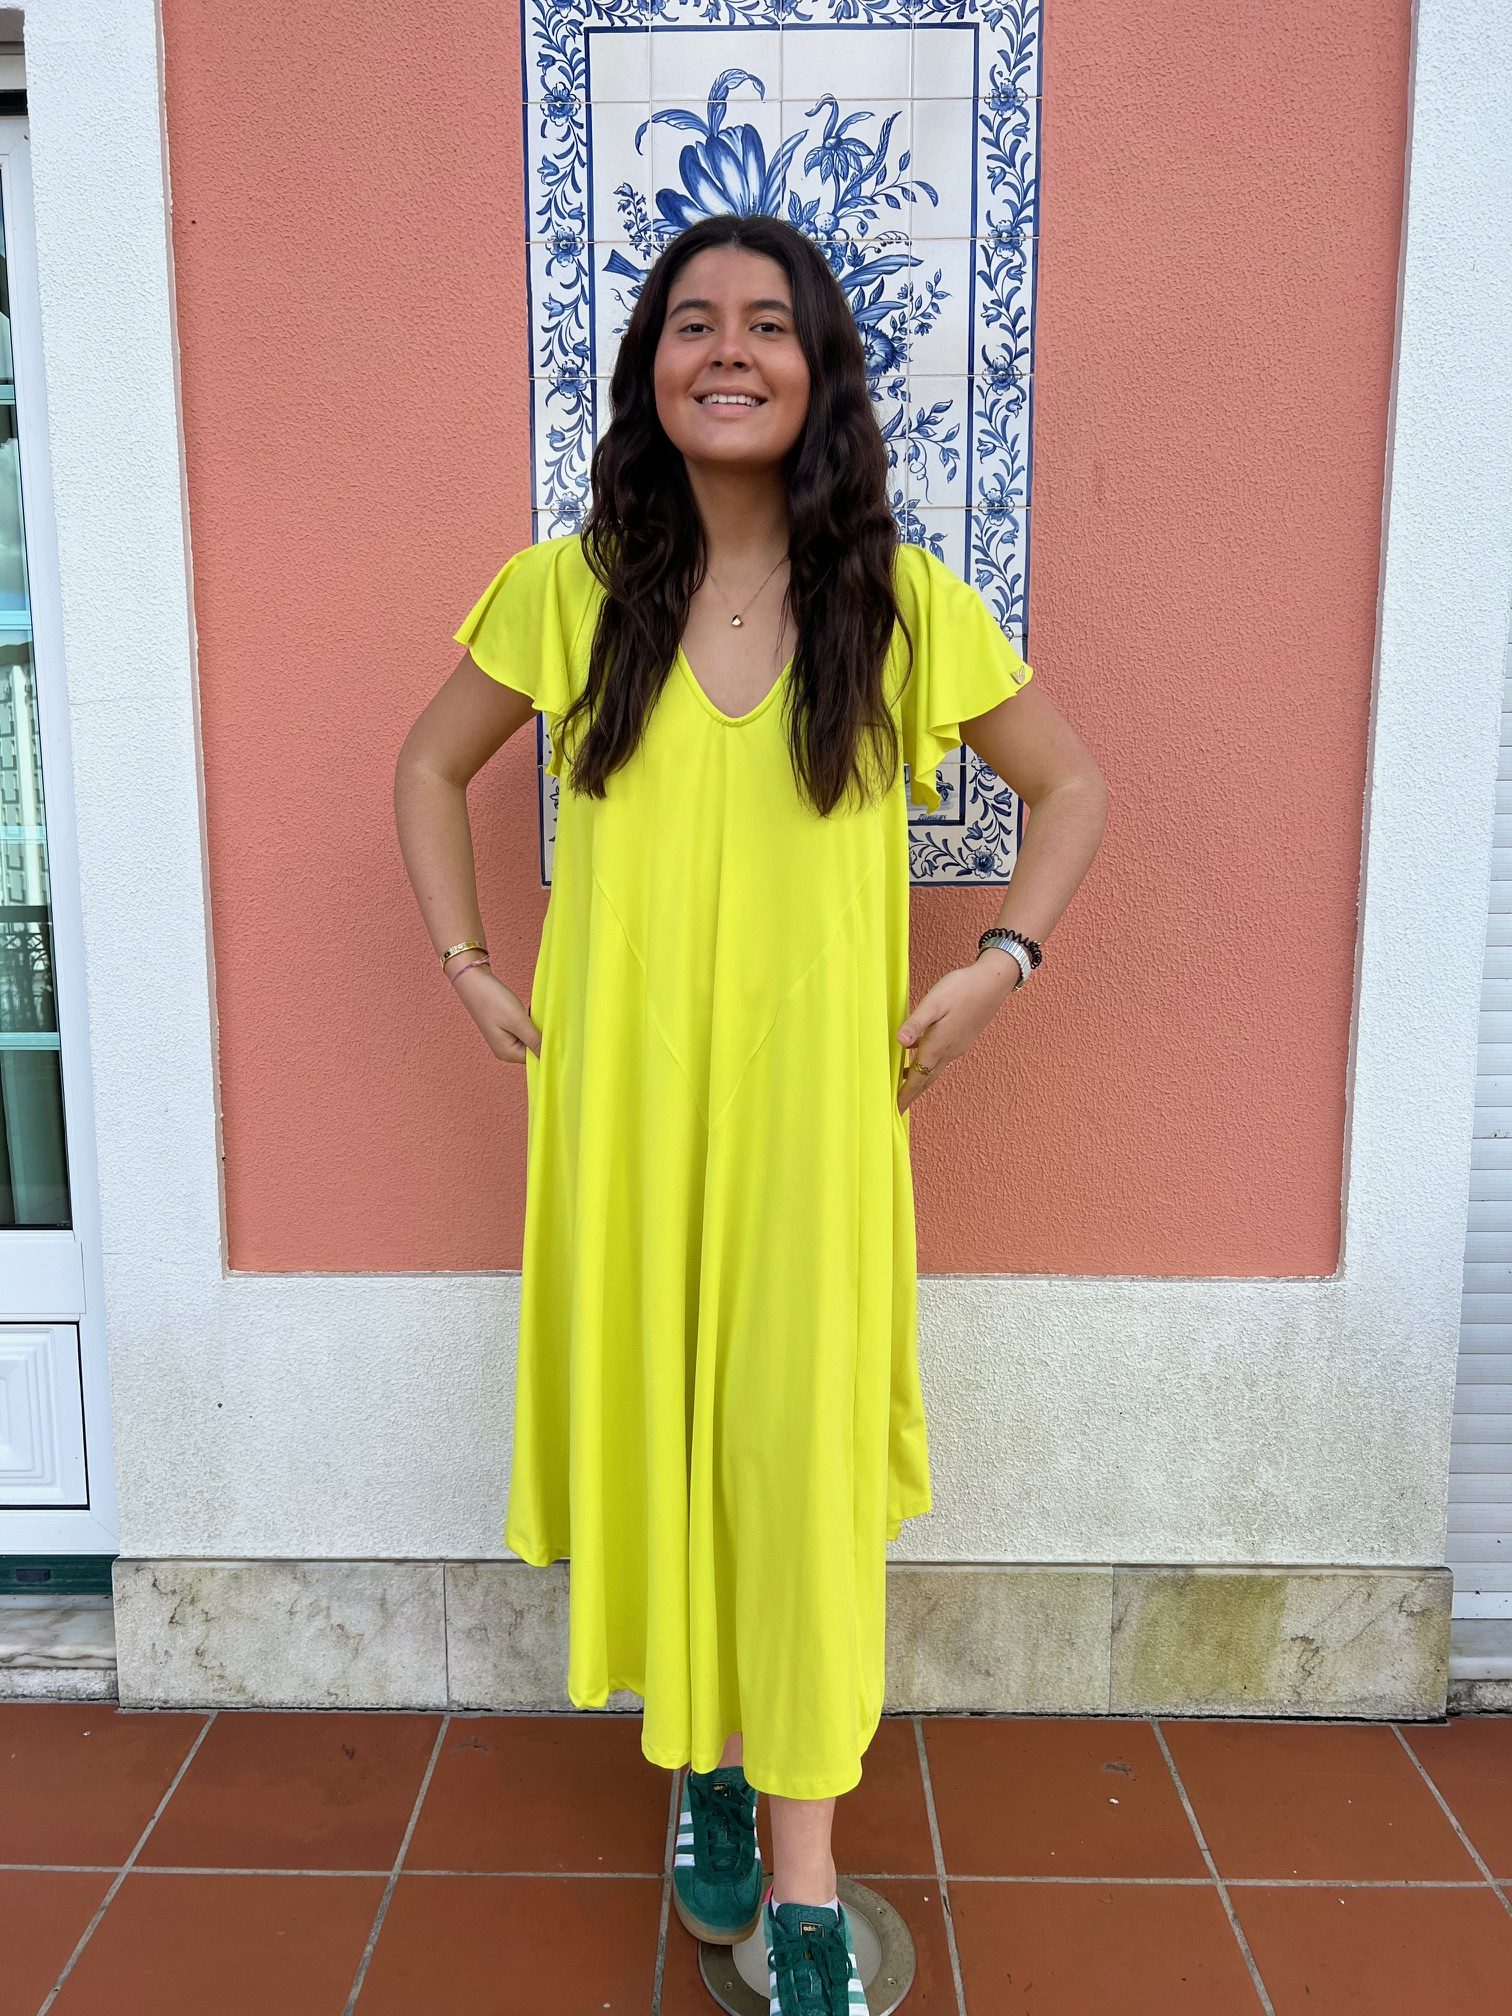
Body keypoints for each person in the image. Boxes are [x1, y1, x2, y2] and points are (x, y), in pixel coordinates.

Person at [394, 212, 1106, 2015]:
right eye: (693, 321)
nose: (729, 350)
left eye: (767, 324)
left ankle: (803, 1887)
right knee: (671, 1440)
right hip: (624, 1127)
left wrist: (1001, 961)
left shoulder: (902, 605)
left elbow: (1072, 788)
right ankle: (704, 1762)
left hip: (816, 1131)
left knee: (790, 1475)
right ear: (652, 367)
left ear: (818, 370)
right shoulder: (566, 592)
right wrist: (471, 962)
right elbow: (427, 764)